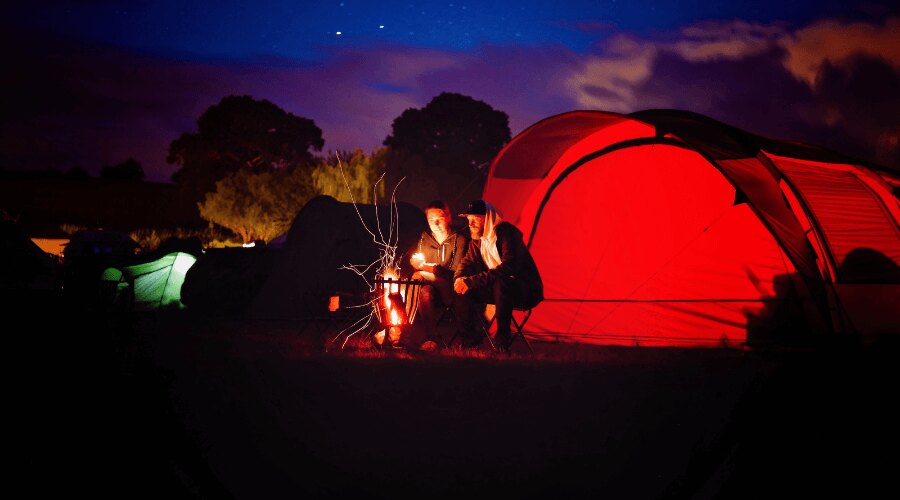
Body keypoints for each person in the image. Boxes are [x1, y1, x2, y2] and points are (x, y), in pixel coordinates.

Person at [453, 199, 543, 351]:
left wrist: (472, 281)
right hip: (498, 289)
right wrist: (459, 279)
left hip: (524, 289)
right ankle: (470, 338)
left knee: (502, 283)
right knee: (462, 290)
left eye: (475, 219)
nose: (471, 224)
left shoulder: (506, 232)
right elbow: (466, 262)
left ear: (487, 218)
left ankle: (502, 340)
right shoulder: (477, 241)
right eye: (469, 219)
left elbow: (510, 266)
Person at [398, 200, 469, 350]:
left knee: (417, 277)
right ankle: (432, 337)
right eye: (431, 220)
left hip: (452, 289)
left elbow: (457, 273)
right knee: (423, 291)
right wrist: (416, 264)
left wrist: (431, 270)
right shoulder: (425, 239)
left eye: (440, 219)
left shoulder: (460, 240)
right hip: (431, 290)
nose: (435, 224)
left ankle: (402, 329)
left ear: (448, 217)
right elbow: (418, 262)